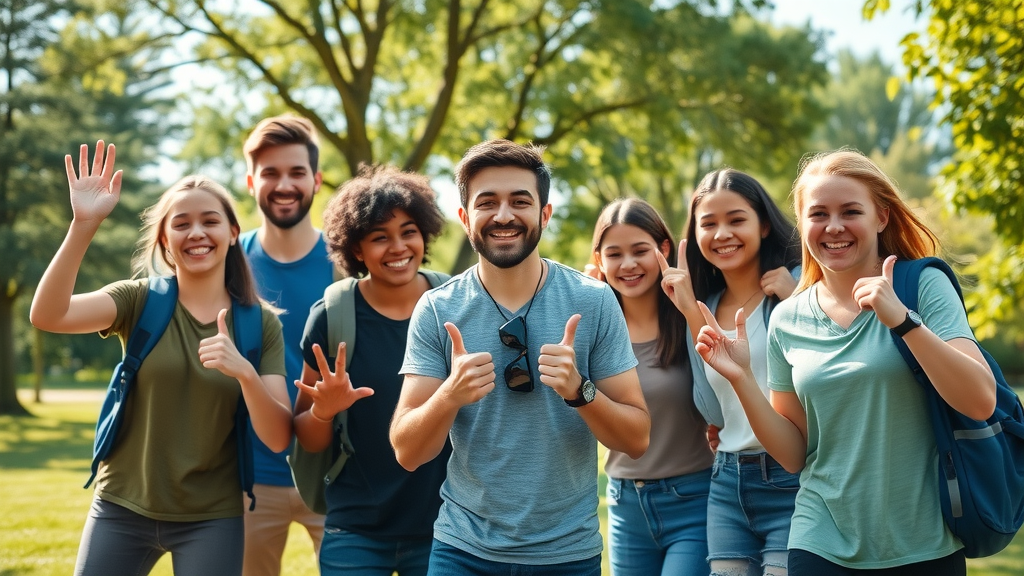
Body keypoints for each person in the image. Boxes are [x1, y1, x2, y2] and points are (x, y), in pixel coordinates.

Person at [694, 150, 997, 575]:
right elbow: (795, 454)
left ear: (882, 217)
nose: (833, 227)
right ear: (803, 224)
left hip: (923, 543)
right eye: (818, 214)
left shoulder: (923, 285)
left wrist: (904, 323)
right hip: (819, 540)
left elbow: (980, 401)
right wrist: (742, 378)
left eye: (850, 211)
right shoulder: (788, 316)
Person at [389, 139, 650, 575]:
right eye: (487, 202)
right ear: (464, 217)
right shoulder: (438, 309)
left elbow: (636, 439)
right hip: (463, 551)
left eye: (520, 201)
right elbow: (407, 451)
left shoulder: (595, 301)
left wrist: (580, 390)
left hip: (567, 555)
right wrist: (449, 396)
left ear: (544, 214)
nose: (504, 215)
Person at [30, 142, 292, 576]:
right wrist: (83, 226)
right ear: (165, 240)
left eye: (210, 221)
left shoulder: (260, 324)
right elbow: (48, 315)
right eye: (181, 224)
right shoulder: (138, 301)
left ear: (232, 232)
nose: (196, 233)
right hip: (122, 505)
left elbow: (279, 437)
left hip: (212, 515)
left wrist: (245, 373)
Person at [292, 164, 451, 575]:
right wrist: (325, 409)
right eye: (380, 237)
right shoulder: (331, 317)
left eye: (408, 231)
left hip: (446, 527)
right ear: (357, 249)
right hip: (356, 530)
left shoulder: (456, 304)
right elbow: (307, 439)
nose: (398, 247)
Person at [659, 168, 801, 576]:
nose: (722, 233)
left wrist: (798, 300)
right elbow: (714, 412)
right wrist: (689, 311)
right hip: (727, 480)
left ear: (764, 224)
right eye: (709, 224)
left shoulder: (797, 287)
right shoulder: (704, 303)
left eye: (736, 220)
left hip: (793, 478)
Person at [590, 198, 713, 576]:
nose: (627, 265)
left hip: (693, 498)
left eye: (640, 250)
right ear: (599, 261)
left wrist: (690, 310)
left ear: (663, 250)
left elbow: (720, 402)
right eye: (614, 254)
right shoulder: (592, 330)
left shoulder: (691, 315)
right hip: (625, 503)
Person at [238, 115, 334, 576]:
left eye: (296, 172)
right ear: (251, 180)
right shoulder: (225, 261)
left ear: (315, 180)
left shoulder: (349, 261)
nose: (284, 184)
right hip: (248, 478)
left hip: (337, 474)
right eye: (271, 173)